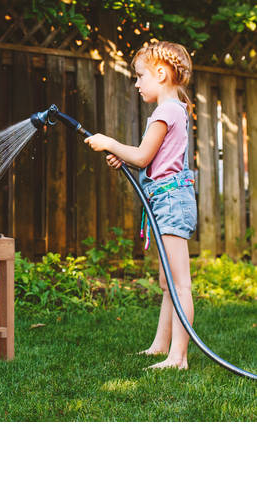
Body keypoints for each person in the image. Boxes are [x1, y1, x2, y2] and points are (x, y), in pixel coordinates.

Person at [84, 41, 197, 370]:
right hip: (166, 199)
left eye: (140, 76)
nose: (136, 83)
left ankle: (179, 357)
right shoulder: (174, 109)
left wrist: (111, 144)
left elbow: (144, 156)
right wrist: (125, 157)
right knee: (167, 283)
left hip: (171, 202)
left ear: (161, 74)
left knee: (180, 284)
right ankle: (161, 346)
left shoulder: (165, 111)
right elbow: (154, 161)